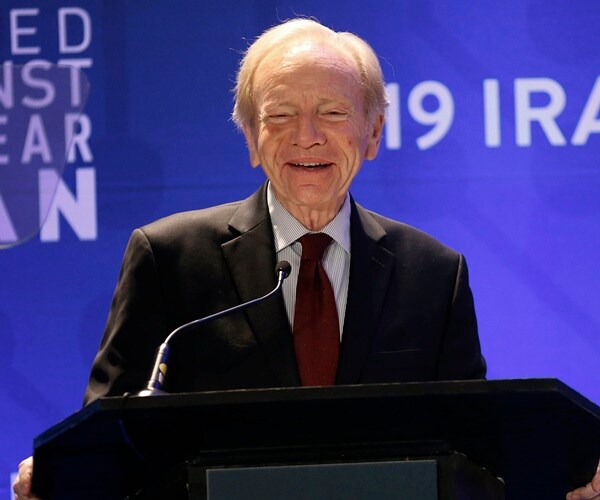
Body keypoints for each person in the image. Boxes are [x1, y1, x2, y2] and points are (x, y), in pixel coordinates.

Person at [11, 17, 592, 499]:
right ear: (250, 138)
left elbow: (475, 448)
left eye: (333, 113)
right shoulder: (170, 258)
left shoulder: (433, 272)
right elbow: (111, 434)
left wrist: (568, 474)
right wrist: (62, 478)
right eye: (280, 115)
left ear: (373, 132)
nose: (306, 135)